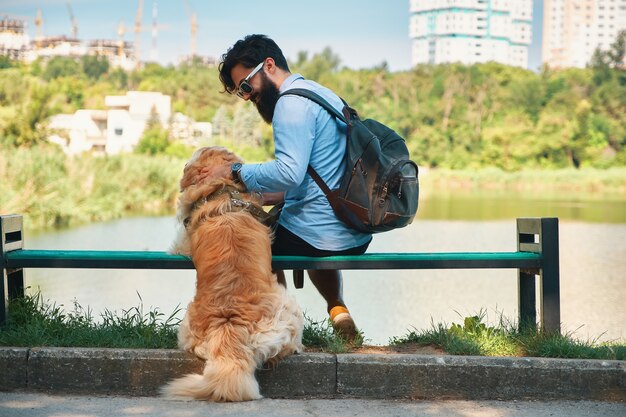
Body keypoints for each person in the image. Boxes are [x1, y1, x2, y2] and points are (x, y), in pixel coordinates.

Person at [212, 34, 372, 341]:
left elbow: (288, 172)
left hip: (325, 235)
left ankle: (281, 325)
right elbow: (311, 181)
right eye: (241, 92)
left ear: (268, 66)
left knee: (251, 242)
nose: (247, 97)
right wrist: (254, 192)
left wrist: (233, 171)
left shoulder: (290, 104)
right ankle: (338, 310)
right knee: (298, 219)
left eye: (246, 86)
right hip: (354, 230)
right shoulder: (319, 94)